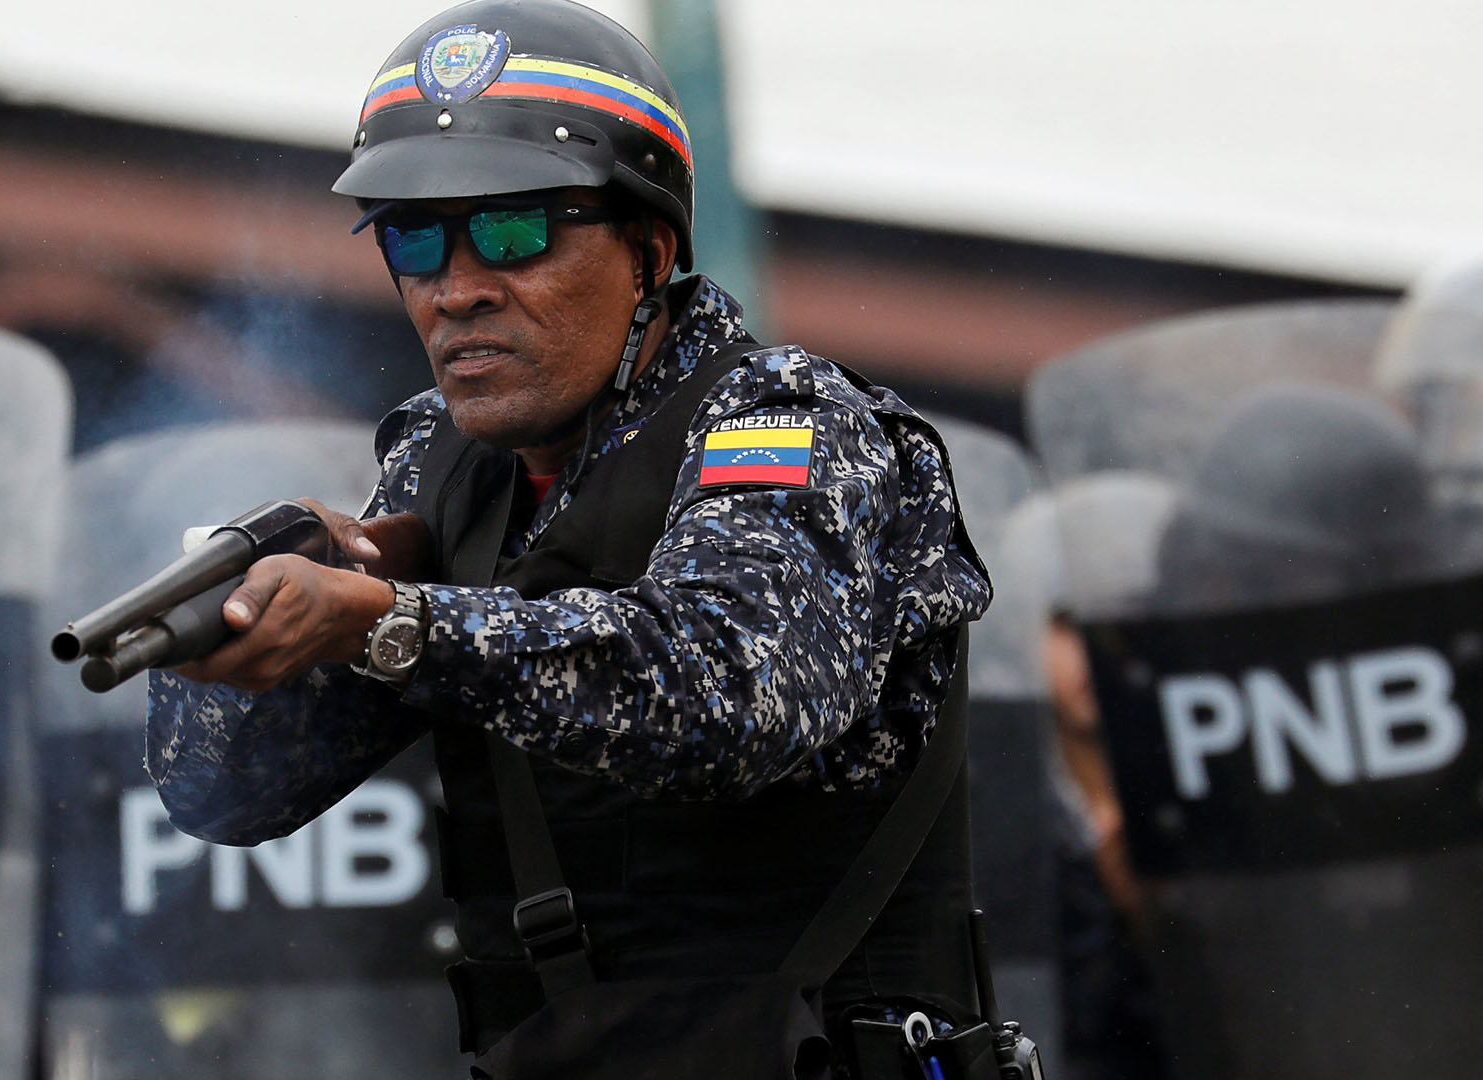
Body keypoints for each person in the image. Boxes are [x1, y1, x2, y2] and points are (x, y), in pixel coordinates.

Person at [145, 0, 992, 1071]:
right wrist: (226, 632)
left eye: (512, 230)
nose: (456, 288)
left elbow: (730, 694)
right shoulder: (443, 463)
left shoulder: (782, 420)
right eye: (413, 237)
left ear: (648, 242)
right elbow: (226, 795)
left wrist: (397, 620)